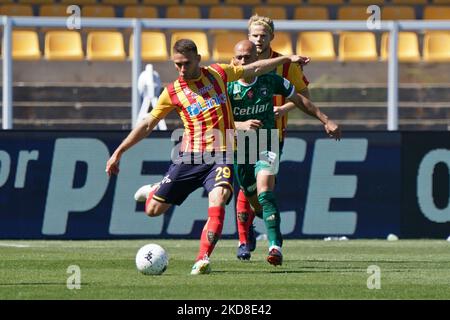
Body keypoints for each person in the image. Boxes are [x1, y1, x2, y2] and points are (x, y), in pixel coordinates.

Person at [105, 39, 308, 275]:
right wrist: (119, 152)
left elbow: (255, 68)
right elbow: (148, 124)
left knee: (219, 197)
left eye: (186, 63)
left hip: (221, 154)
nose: (182, 69)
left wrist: (285, 59)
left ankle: (202, 259)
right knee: (153, 210)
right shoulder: (172, 92)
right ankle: (155, 189)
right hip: (190, 157)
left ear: (198, 59)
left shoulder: (218, 74)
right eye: (177, 64)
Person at [229, 40, 341, 265]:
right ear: (233, 61)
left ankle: (275, 246)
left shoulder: (271, 80)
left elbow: (300, 99)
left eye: (248, 58)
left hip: (266, 141)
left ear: (256, 61)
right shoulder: (226, 87)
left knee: (265, 190)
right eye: (239, 58)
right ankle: (257, 225)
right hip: (240, 147)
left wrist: (325, 120)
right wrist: (239, 126)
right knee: (256, 203)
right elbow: (215, 122)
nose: (243, 62)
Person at [234, 14, 316, 257]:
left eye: (263, 35)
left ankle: (264, 239)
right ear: (248, 37)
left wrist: (284, 109)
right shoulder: (238, 62)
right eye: (254, 35)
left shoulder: (286, 64)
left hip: (272, 133)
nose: (258, 40)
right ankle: (244, 237)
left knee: (263, 185)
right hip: (241, 132)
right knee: (245, 186)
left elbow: (304, 97)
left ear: (272, 37)